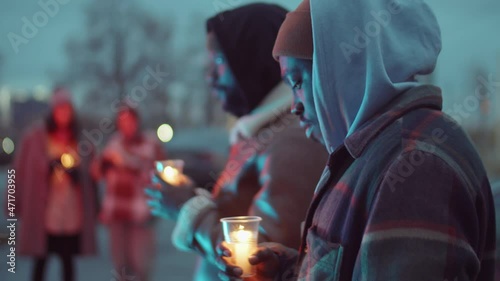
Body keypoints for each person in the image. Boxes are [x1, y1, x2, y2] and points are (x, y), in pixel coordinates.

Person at [217, 0, 496, 280]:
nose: (294, 106)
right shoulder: (370, 152)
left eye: (299, 82)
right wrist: (290, 272)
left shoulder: (414, 166)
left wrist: (194, 217)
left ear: (349, 68)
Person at [145, 3, 328, 281]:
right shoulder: (261, 131)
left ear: (250, 61)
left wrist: (188, 210)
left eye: (218, 62)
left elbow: (261, 256)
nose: (211, 78)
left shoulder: (292, 137)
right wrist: (193, 199)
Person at [9, 87, 97, 281]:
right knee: (41, 259)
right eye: (59, 109)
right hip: (44, 211)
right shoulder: (34, 138)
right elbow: (18, 172)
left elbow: (92, 176)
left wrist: (76, 175)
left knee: (67, 260)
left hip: (71, 212)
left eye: (67, 109)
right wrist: (13, 202)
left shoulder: (80, 139)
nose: (63, 114)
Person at [92, 105, 166, 281]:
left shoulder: (150, 143)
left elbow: (161, 174)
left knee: (141, 264)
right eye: (122, 122)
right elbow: (96, 173)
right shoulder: (113, 144)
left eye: (129, 121)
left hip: (140, 214)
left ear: (137, 121)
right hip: (116, 213)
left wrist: (129, 164)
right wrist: (103, 164)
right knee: (120, 266)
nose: (126, 125)